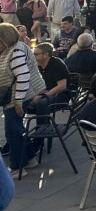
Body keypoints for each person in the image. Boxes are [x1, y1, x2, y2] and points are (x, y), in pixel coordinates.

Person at [0, 23, 46, 175]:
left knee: (12, 133)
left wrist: (18, 101)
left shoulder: (15, 52)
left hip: (18, 96)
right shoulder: (16, 48)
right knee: (17, 130)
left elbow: (23, 76)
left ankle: (17, 167)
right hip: (22, 94)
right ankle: (30, 159)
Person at [32, 43, 70, 116]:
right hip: (44, 92)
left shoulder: (57, 64)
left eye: (36, 54)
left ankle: (43, 126)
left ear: (46, 54)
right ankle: (18, 126)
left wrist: (43, 95)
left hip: (61, 94)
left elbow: (62, 86)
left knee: (41, 103)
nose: (33, 56)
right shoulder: (37, 65)